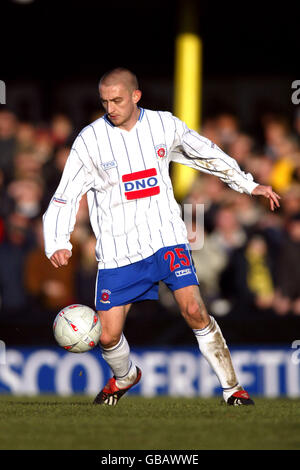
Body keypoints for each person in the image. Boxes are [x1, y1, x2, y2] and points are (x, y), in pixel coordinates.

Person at [43, 68, 280, 407]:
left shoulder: (164, 125)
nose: (110, 108)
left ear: (136, 96)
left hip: (166, 239)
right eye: (105, 101)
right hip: (118, 251)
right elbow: (65, 194)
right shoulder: (90, 140)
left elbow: (206, 152)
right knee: (107, 336)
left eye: (117, 100)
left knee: (195, 310)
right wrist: (58, 241)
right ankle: (125, 376)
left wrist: (248, 184)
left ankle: (233, 390)